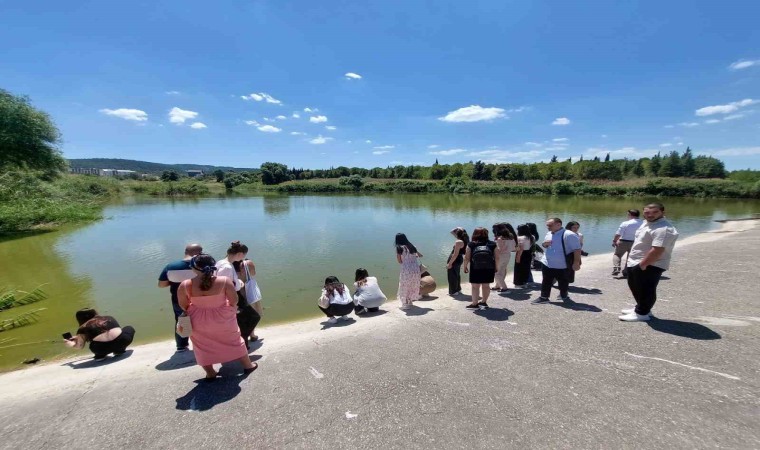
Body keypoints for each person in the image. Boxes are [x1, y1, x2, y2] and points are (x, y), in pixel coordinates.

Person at [178, 254, 257, 380]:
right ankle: (248, 365)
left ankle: (210, 373)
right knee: (234, 339)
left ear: (193, 268)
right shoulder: (224, 281)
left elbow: (183, 305)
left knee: (201, 345)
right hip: (223, 316)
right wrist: (227, 309)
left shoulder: (185, 284)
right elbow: (234, 300)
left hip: (197, 319)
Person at [619, 203, 679, 322]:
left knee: (646, 289)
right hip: (636, 261)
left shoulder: (664, 229)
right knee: (635, 286)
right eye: (647, 212)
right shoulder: (647, 223)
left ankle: (642, 313)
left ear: (662, 212)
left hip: (650, 263)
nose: (650, 215)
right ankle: (641, 308)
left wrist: (642, 265)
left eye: (654, 212)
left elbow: (657, 250)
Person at [158, 243, 203, 352]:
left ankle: (182, 345)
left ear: (185, 252)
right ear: (200, 253)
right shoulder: (204, 264)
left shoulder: (171, 266)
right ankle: (204, 342)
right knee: (203, 319)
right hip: (200, 298)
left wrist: (175, 282)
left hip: (178, 299)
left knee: (182, 320)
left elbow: (161, 285)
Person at [218, 241, 261, 345]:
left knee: (242, 318)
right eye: (244, 255)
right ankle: (243, 338)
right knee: (252, 316)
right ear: (240, 254)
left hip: (233, 295)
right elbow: (225, 284)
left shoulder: (221, 263)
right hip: (235, 296)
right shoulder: (227, 267)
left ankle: (242, 339)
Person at [531, 218, 581, 304]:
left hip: (562, 264)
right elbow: (544, 245)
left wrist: (576, 263)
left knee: (563, 281)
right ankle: (544, 297)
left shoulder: (569, 235)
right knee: (546, 280)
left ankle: (563, 295)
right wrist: (545, 244)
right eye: (547, 225)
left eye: (550, 225)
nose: (548, 227)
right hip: (547, 262)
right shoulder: (549, 233)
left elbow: (577, 249)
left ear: (558, 225)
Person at [63, 308, 135, 361]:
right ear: (94, 313)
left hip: (101, 349)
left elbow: (80, 346)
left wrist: (70, 344)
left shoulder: (82, 328)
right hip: (122, 342)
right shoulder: (109, 317)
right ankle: (119, 350)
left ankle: (100, 356)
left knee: (95, 343)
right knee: (129, 328)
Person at [463, 227, 498, 310]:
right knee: (486, 286)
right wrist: (496, 267)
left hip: (475, 268)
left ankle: (474, 304)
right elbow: (497, 257)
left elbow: (467, 257)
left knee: (475, 286)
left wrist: (465, 267)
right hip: (489, 268)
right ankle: (484, 302)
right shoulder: (492, 244)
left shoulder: (471, 244)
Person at [234, 244, 263, 343]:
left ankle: (241, 334)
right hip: (248, 290)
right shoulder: (248, 263)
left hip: (235, 292)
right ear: (242, 253)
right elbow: (253, 274)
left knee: (240, 315)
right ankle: (252, 334)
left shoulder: (228, 264)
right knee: (253, 313)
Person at [612, 209, 644, 277]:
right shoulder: (644, 223)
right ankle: (626, 271)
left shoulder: (626, 223)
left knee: (617, 255)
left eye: (628, 214)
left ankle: (617, 267)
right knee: (630, 258)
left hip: (623, 241)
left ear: (630, 215)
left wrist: (614, 241)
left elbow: (618, 233)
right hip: (636, 242)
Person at [395, 233, 423, 310]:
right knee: (413, 284)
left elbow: (399, 261)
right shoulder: (412, 246)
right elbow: (420, 255)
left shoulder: (399, 248)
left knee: (404, 285)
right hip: (415, 268)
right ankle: (410, 301)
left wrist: (405, 260)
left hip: (406, 269)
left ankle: (405, 304)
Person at [492, 223, 517, 292]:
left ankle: (504, 287)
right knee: (502, 271)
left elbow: (500, 249)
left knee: (496, 272)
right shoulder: (511, 236)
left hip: (500, 255)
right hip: (508, 255)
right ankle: (497, 285)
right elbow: (514, 247)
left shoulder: (500, 238)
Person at [446, 227, 468, 296]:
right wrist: (460, 228)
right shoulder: (465, 240)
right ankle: (458, 289)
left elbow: (455, 254)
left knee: (452, 275)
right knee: (457, 274)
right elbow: (452, 232)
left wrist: (450, 263)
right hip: (459, 259)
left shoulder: (458, 242)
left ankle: (454, 291)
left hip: (455, 259)